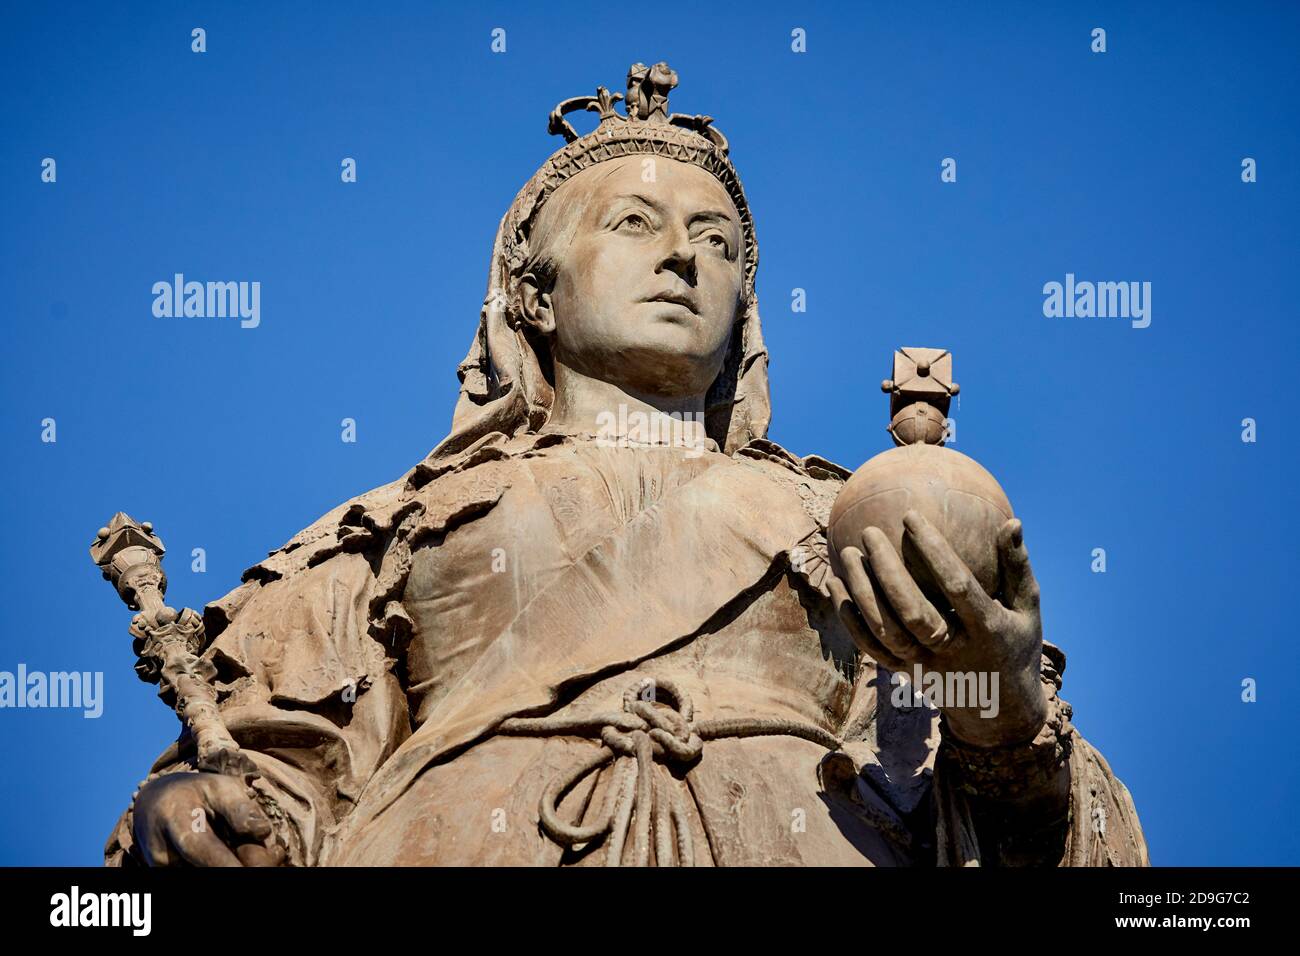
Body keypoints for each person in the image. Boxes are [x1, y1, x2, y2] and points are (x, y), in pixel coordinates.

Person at [108, 62, 1147, 867]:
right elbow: (283, 776)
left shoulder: (844, 515)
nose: (683, 255)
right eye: (633, 223)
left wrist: (1000, 705)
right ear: (536, 295)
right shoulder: (392, 529)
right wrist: (195, 813)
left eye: (717, 240)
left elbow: (1039, 839)